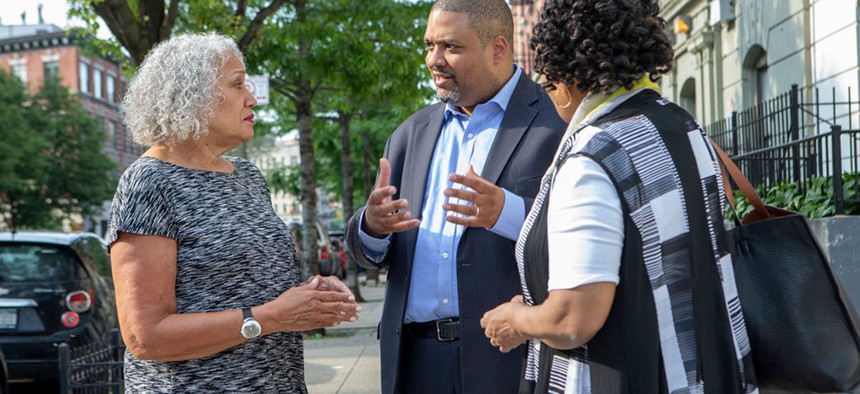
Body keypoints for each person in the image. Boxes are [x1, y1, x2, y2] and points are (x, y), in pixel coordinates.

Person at [479, 0, 758, 392]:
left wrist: (516, 319)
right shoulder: (681, 124)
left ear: (566, 77)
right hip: (700, 371)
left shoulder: (592, 156)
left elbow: (572, 319)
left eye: (547, 81)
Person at [107, 33, 360, 393]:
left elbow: (254, 293)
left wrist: (311, 297)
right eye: (238, 84)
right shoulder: (150, 182)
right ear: (192, 95)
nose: (253, 98)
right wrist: (271, 317)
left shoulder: (248, 176)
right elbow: (145, 337)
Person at [343, 1, 566, 393]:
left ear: (498, 48)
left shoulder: (554, 122)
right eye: (430, 45)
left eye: (451, 47)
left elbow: (585, 238)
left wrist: (507, 213)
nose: (434, 59)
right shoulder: (410, 134)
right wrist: (372, 228)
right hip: (416, 363)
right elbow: (371, 253)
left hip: (509, 358)